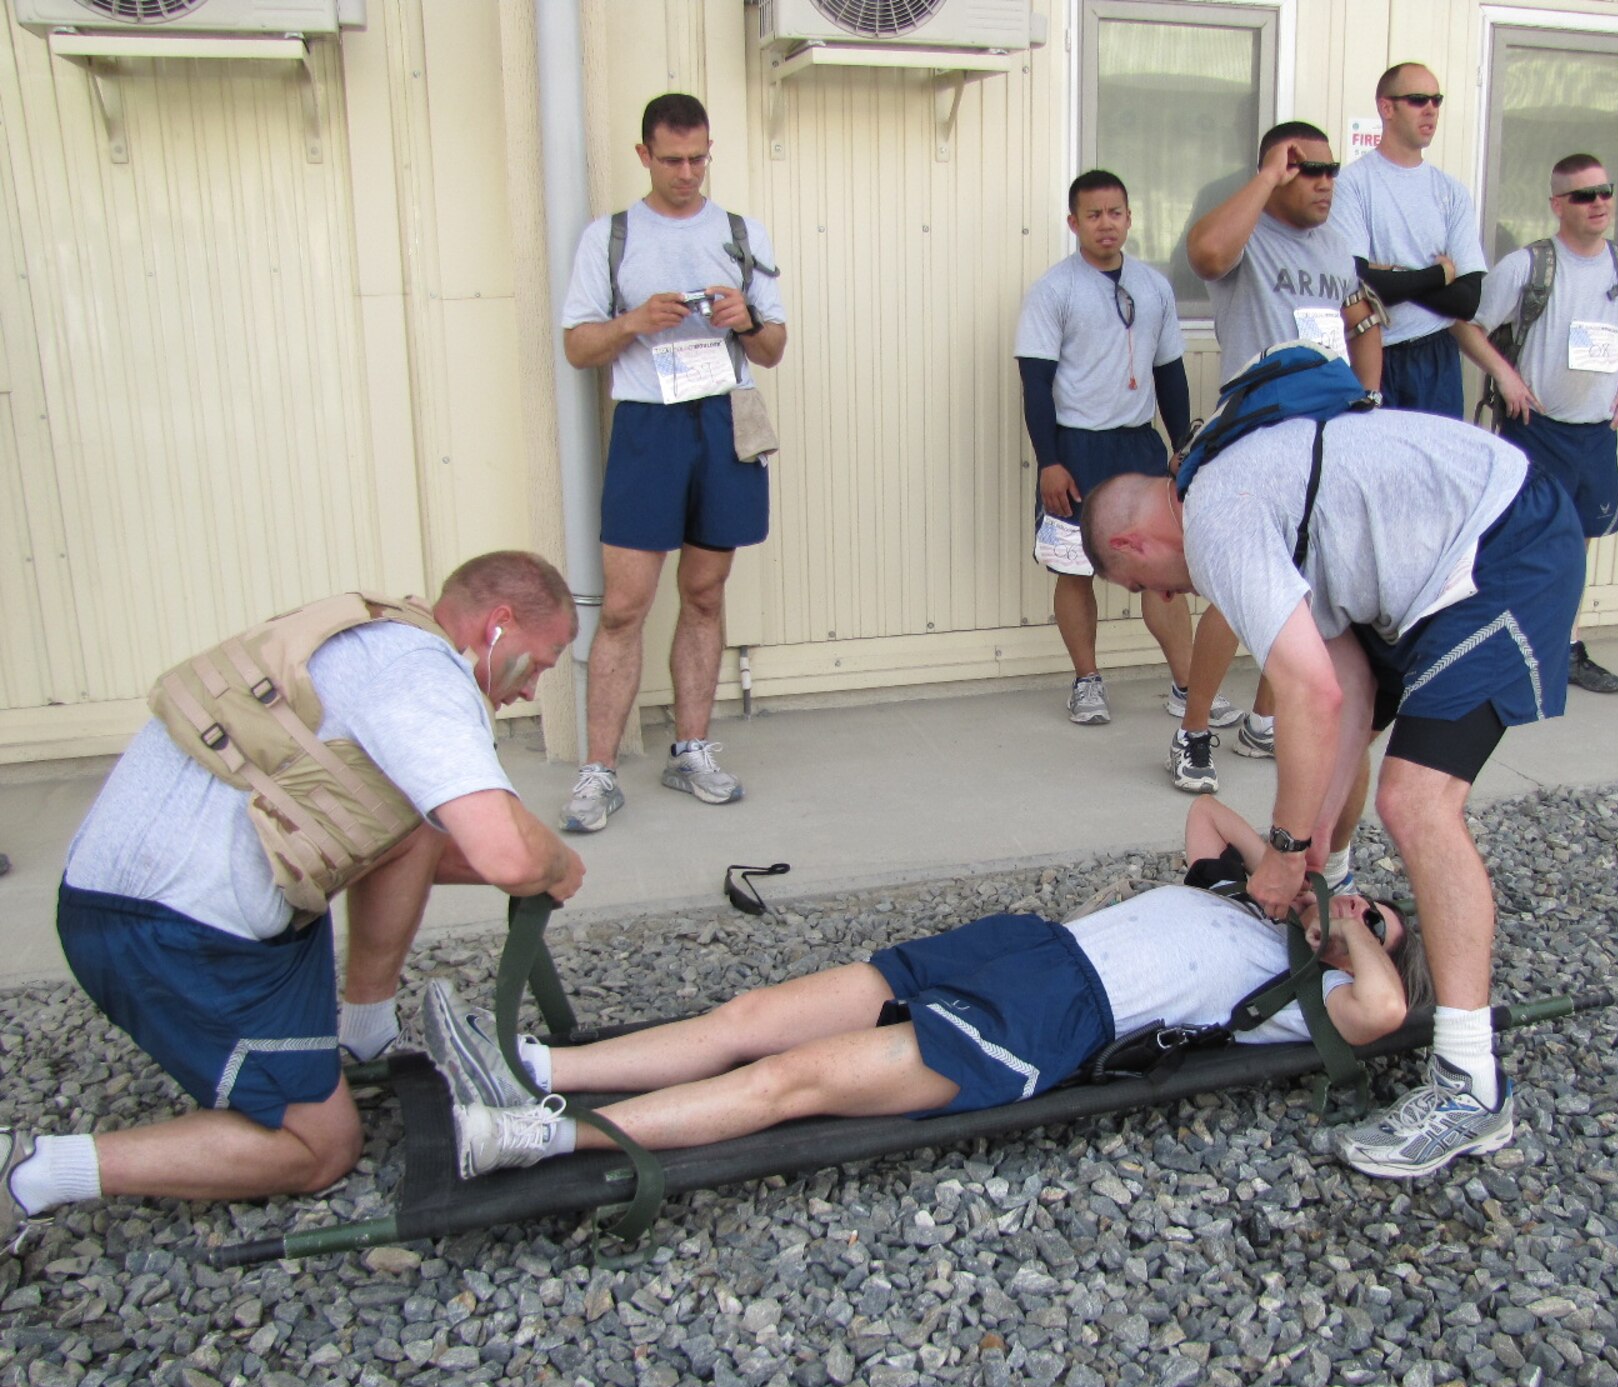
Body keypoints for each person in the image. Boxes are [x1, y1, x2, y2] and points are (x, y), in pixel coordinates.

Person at [1079, 377, 1585, 1178]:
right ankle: (1355, 900)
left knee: (1415, 802)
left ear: (1131, 546)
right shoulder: (1258, 501)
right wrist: (1314, 849)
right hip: (1464, 551)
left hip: (1503, 543)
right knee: (1386, 788)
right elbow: (1346, 692)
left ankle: (1470, 1088)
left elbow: (1308, 695)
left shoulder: (1219, 520)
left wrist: (1284, 851)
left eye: (1143, 587)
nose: (1167, 596)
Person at [1, 553, 586, 1243]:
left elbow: (442, 844)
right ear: (499, 624)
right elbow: (508, 855)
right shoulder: (420, 676)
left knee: (424, 819)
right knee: (324, 1148)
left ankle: (365, 1033)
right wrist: (559, 862)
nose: (531, 688)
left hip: (179, 896)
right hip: (163, 932)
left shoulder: (382, 636)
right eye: (540, 663)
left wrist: (525, 862)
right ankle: (32, 1171)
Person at [425, 797, 1430, 1178]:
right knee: (752, 1016)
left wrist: (1346, 932)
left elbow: (1386, 1010)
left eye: (1377, 922)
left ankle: (538, 1137)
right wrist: (1295, 873)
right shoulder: (1246, 903)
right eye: (1367, 900)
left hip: (1057, 1017)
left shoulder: (1304, 996)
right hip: (1022, 948)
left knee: (789, 1080)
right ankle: (533, 1066)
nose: (1360, 909)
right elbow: (1207, 814)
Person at [557, 92, 788, 828]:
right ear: (644, 155)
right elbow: (577, 346)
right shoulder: (611, 236)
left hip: (724, 420)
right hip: (647, 426)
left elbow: (773, 349)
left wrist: (743, 320)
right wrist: (633, 321)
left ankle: (691, 750)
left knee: (706, 594)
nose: (687, 174)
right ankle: (598, 771)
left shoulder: (742, 234)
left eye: (698, 159)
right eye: (672, 160)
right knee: (625, 605)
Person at [1183, 120, 1385, 798]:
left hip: (1324, 440)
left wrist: (1368, 397)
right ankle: (1193, 730)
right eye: (1310, 171)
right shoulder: (1246, 232)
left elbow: (1362, 318)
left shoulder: (1335, 243)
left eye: (1333, 171)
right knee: (1237, 589)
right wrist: (1268, 176)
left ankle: (1263, 720)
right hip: (1258, 436)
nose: (1326, 183)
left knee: (1302, 583)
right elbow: (1206, 254)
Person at [1015, 169, 1243, 750]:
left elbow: (1170, 372)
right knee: (1075, 567)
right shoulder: (1054, 290)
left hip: (1139, 445)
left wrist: (1182, 448)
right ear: (1073, 223)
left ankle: (1187, 685)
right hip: (1076, 447)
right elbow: (1035, 383)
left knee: (1164, 568)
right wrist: (1049, 461)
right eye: (1093, 215)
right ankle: (1087, 681)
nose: (1106, 224)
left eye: (1115, 213)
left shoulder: (1153, 286)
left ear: (1129, 217)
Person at [1463, 154, 1618, 695]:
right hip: (1536, 429)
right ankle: (1506, 650)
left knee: (1578, 545)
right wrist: (1506, 377)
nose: (1599, 203)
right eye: (1584, 195)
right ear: (1558, 205)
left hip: (1595, 433)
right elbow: (1467, 327)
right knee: (1522, 543)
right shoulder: (1527, 267)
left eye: (1605, 191)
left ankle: (1566, 649)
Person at [1328, 64, 1486, 416]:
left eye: (1436, 100)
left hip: (1437, 357)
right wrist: (1439, 274)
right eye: (1417, 99)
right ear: (1387, 107)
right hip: (1377, 354)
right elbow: (1357, 283)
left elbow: (1467, 301)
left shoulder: (1452, 192)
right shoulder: (1352, 186)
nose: (1431, 109)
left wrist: (1394, 276)